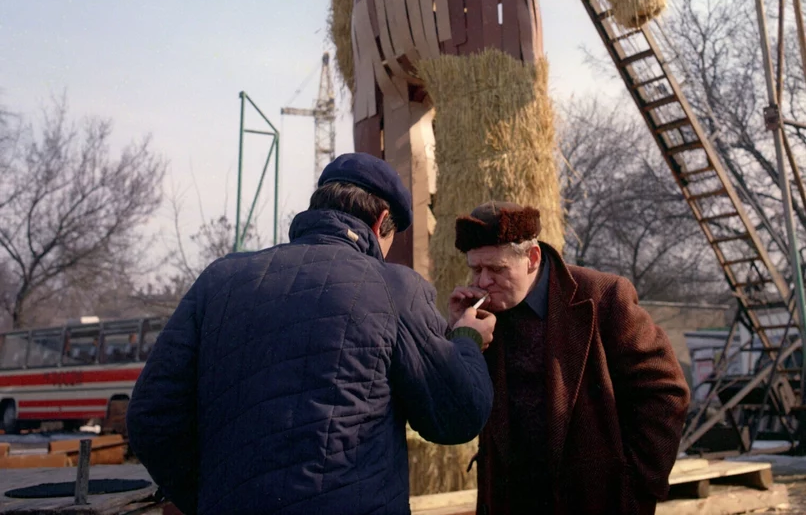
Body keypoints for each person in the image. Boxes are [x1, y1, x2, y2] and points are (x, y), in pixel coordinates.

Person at [127, 153, 495, 515]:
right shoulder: (395, 287)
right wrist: (466, 338)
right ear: (381, 220)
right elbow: (456, 415)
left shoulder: (218, 279)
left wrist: (211, 498)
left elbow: (150, 417)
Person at [448, 201, 690, 515]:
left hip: (594, 501)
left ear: (532, 258)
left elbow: (665, 392)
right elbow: (455, 409)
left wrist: (637, 489)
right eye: (475, 269)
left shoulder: (602, 297)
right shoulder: (479, 316)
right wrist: (458, 336)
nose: (482, 281)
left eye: (496, 269)